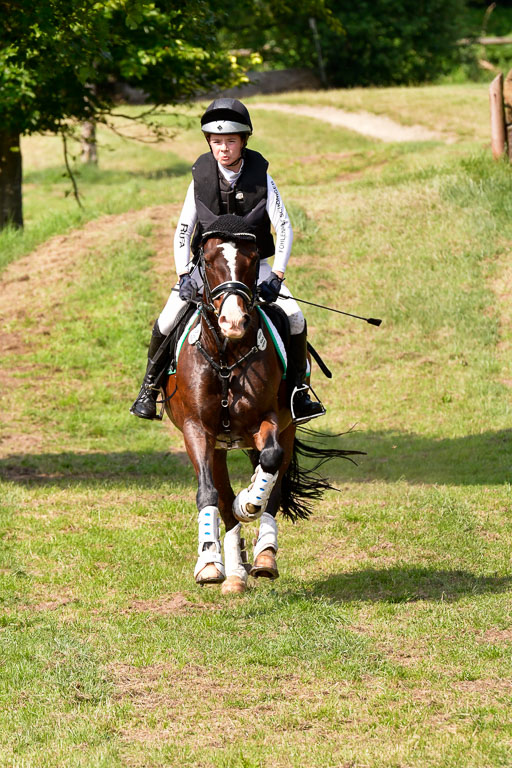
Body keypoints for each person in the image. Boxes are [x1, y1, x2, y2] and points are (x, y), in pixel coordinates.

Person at [130, 98, 324, 423]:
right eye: (217, 142)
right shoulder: (200, 178)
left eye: (230, 141)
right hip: (207, 271)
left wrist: (277, 274)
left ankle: (298, 393)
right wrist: (183, 276)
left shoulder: (262, 177)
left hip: (255, 268)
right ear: (209, 142)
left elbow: (284, 226)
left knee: (295, 318)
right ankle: (149, 390)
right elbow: (183, 230)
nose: (223, 149)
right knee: (167, 319)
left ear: (243, 141)